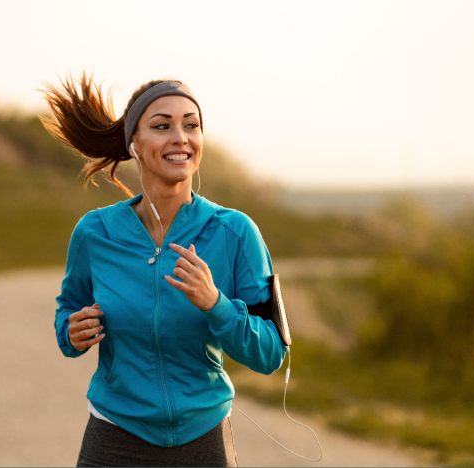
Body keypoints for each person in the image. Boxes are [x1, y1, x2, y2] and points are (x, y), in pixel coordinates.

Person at [40, 73, 288, 467]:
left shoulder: (235, 232)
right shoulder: (95, 233)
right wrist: (71, 332)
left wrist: (216, 304)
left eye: (191, 125)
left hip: (202, 439)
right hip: (114, 436)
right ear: (133, 143)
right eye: (162, 126)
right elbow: (67, 312)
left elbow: (271, 353)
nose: (180, 137)